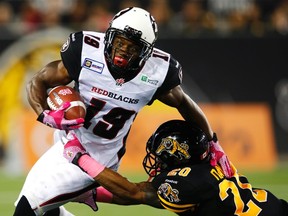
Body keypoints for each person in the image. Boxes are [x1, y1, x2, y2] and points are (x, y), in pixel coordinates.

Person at [14, 7, 232, 216]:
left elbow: (184, 103)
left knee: (28, 205)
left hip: (99, 157)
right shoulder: (85, 51)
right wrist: (45, 115)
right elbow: (39, 81)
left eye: (133, 47)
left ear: (146, 52)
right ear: (109, 37)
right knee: (38, 204)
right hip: (66, 141)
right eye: (119, 42)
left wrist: (213, 143)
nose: (123, 51)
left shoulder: (157, 72)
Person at [71, 119, 288, 216]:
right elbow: (144, 195)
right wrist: (91, 193)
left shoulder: (185, 183)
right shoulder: (211, 165)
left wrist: (81, 158)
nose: (156, 162)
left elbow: (136, 192)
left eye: (160, 156)